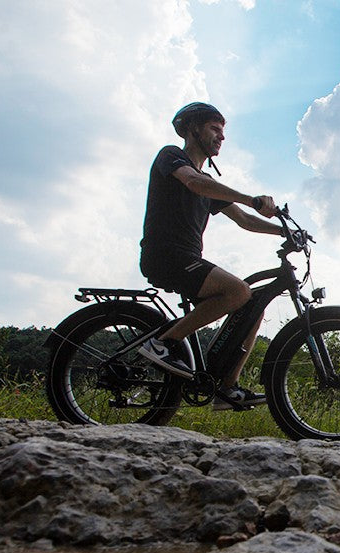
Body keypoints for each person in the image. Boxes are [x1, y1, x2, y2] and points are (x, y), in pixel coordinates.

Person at [138, 101, 284, 410]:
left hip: (187, 258)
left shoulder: (210, 186)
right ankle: (162, 343)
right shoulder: (172, 156)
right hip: (166, 255)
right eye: (214, 129)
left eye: (223, 131)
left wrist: (284, 232)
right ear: (193, 129)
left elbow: (244, 221)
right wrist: (251, 198)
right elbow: (194, 182)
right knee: (239, 291)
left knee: (252, 307)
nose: (222, 136)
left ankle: (226, 389)